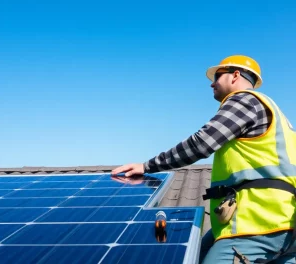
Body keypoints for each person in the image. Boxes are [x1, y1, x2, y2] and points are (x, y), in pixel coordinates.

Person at [111, 55, 296, 263]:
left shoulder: (244, 100)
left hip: (257, 223)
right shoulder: (279, 117)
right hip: (286, 225)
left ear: (235, 75)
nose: (212, 83)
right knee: (197, 251)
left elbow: (201, 144)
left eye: (217, 76)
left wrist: (147, 166)